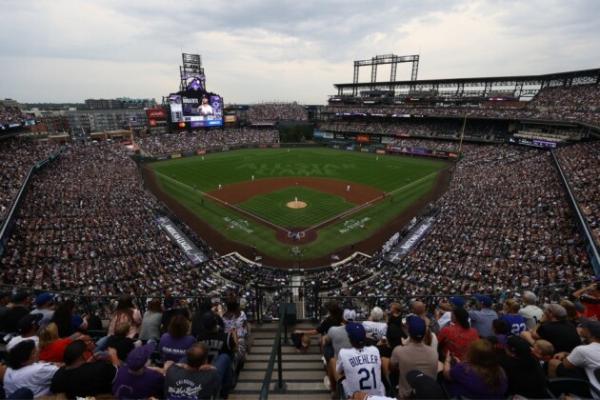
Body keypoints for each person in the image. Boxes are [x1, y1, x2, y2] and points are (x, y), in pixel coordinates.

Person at [390, 316, 439, 398]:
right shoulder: (434, 352)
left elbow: (391, 368)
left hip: (405, 396)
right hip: (428, 396)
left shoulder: (399, 350)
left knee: (386, 362)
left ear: (409, 332)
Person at [51, 340, 119, 398]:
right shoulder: (100, 369)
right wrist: (114, 356)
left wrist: (87, 362)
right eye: (89, 351)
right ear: (84, 354)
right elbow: (118, 374)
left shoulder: (57, 376)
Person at [549, 318, 600, 396]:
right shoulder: (587, 349)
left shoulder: (581, 350)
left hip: (595, 393)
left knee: (554, 362)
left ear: (590, 334)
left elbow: (566, 365)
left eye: (584, 327)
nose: (581, 328)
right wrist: (567, 353)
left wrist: (566, 355)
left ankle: (556, 394)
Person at [443, 339, 508, 399]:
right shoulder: (500, 371)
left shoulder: (464, 369)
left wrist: (447, 360)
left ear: (473, 354)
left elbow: (447, 375)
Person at [336, 322, 385, 397]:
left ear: (349, 338)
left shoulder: (343, 353)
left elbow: (338, 371)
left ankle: (333, 392)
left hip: (356, 397)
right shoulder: (374, 350)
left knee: (341, 375)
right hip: (377, 397)